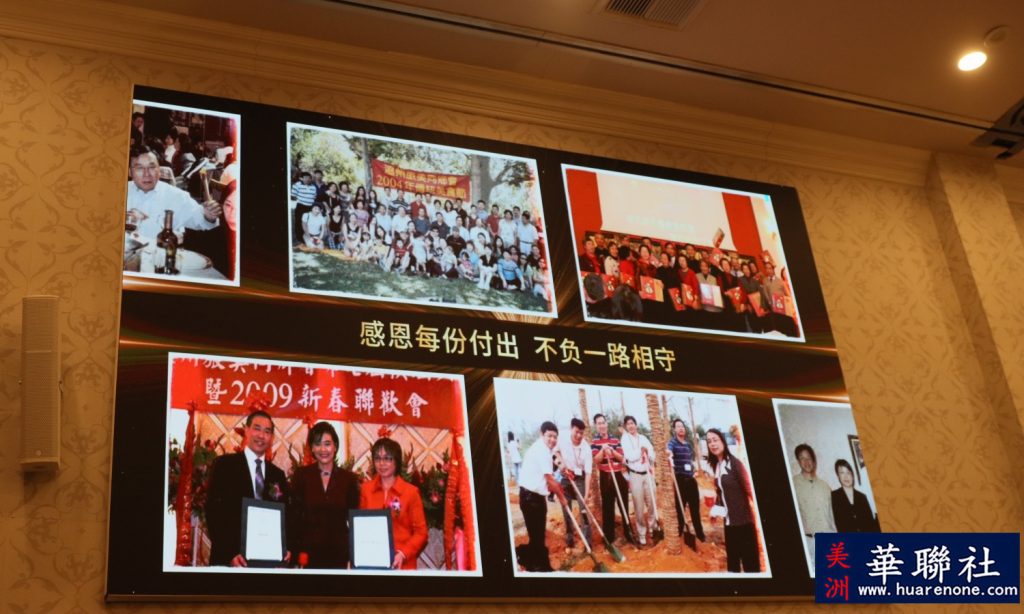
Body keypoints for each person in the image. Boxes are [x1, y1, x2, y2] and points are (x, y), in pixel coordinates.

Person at [205, 410, 289, 567]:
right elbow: (213, 512)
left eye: (267, 431)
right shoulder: (224, 465)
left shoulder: (278, 475)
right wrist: (230, 554)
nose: (261, 435)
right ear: (246, 430)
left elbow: (286, 516)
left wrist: (285, 549)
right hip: (230, 561)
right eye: (257, 428)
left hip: (267, 562)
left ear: (271, 437)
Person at [288, 422, 360, 569]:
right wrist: (295, 552)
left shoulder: (348, 479)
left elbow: (354, 521)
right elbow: (294, 518)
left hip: (339, 554)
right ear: (312, 448)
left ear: (335, 446)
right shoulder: (301, 476)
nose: (323, 449)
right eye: (317, 444)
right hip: (308, 554)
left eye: (327, 444)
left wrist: (352, 555)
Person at [359, 437, 428, 570]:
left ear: (396, 461)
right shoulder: (366, 490)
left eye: (387, 458)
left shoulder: (411, 492)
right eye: (377, 458)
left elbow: (421, 533)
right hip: (372, 562)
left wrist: (403, 554)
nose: (382, 463)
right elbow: (361, 528)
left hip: (403, 564)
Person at [126, 150, 220, 238]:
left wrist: (208, 216)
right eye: (139, 168)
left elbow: (200, 222)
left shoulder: (177, 196)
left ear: (159, 170)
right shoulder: (121, 190)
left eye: (152, 167)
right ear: (130, 172)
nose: (146, 174)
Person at [706, 428, 759, 572]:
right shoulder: (717, 466)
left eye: (715, 440)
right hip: (729, 524)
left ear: (723, 441)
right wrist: (715, 511)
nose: (712, 444)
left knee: (751, 567)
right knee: (733, 565)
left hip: (744, 523)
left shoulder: (735, 464)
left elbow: (749, 489)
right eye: (709, 441)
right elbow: (721, 493)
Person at [515, 421, 566, 572]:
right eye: (549, 436)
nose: (552, 439)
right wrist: (562, 498)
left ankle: (525, 557)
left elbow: (551, 466)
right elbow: (550, 479)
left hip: (535, 498)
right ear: (542, 434)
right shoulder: (541, 450)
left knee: (538, 535)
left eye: (555, 437)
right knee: (537, 536)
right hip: (530, 498)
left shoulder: (544, 449)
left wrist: (560, 466)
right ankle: (539, 568)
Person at [590, 413, 633, 545]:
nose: (602, 425)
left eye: (603, 422)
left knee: (623, 505)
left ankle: (629, 535)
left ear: (606, 424)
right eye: (599, 423)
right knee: (608, 508)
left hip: (618, 474)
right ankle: (609, 539)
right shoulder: (594, 442)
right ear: (596, 426)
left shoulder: (615, 440)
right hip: (605, 476)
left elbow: (622, 458)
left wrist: (612, 452)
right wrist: (603, 450)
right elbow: (596, 460)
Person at [792, 443, 835, 561]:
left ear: (814, 460)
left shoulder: (825, 486)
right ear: (798, 461)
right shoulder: (793, 485)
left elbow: (832, 515)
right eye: (802, 458)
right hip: (811, 543)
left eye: (809, 458)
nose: (806, 461)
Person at [556, 418, 593, 551]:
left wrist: (586, 494)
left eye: (581, 433)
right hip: (566, 477)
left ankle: (588, 543)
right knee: (566, 509)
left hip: (580, 478)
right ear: (571, 429)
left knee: (584, 510)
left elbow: (588, 473)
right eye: (576, 432)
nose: (579, 436)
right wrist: (561, 463)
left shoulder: (586, 448)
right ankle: (570, 540)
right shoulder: (562, 439)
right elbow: (556, 451)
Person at [667, 419, 705, 542]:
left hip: (691, 480)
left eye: (682, 426)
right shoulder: (672, 443)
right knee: (680, 509)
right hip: (680, 481)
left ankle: (700, 536)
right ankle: (680, 535)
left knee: (695, 510)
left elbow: (690, 461)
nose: (681, 428)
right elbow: (668, 450)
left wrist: (693, 470)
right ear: (674, 429)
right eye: (678, 426)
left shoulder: (688, 445)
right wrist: (669, 454)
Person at [620, 415, 655, 547]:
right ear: (626, 426)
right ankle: (641, 533)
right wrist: (640, 452)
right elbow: (629, 456)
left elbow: (652, 453)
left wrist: (648, 454)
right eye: (628, 424)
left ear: (636, 424)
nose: (631, 426)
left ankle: (653, 527)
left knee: (651, 502)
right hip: (635, 475)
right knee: (638, 505)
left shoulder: (643, 438)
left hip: (647, 473)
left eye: (632, 423)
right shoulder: (625, 439)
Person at [831, 459, 879, 533]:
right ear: (838, 476)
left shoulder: (862, 497)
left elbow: (870, 524)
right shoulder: (834, 497)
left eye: (848, 472)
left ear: (852, 475)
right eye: (842, 473)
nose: (846, 476)